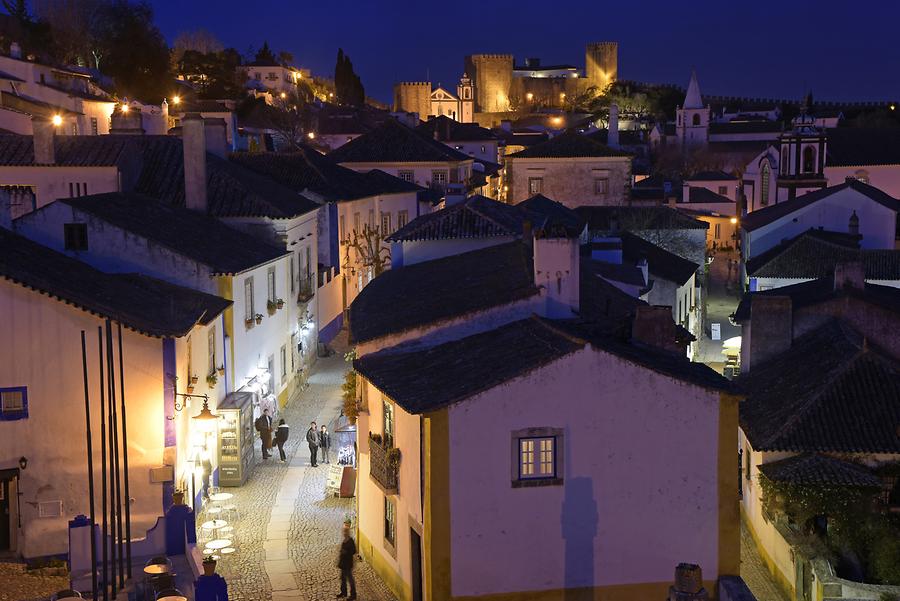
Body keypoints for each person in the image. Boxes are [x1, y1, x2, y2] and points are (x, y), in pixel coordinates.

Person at [336, 526, 356, 599]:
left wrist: (346, 552)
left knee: (350, 580)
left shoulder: (350, 541)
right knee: (343, 579)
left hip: (348, 564)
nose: (344, 533)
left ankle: (353, 595)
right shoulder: (345, 540)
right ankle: (344, 592)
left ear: (348, 532)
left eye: (345, 532)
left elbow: (353, 551)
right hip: (343, 564)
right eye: (343, 532)